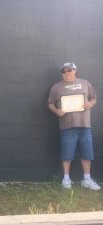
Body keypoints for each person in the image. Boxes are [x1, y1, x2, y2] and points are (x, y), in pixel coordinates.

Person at [48, 62, 100, 190]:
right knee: (67, 154)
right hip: (67, 126)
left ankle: (86, 179)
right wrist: (57, 111)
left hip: (85, 126)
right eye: (64, 71)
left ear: (75, 71)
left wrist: (90, 104)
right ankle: (66, 179)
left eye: (69, 70)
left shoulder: (85, 83)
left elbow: (94, 98)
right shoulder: (56, 87)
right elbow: (50, 103)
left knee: (87, 153)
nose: (66, 73)